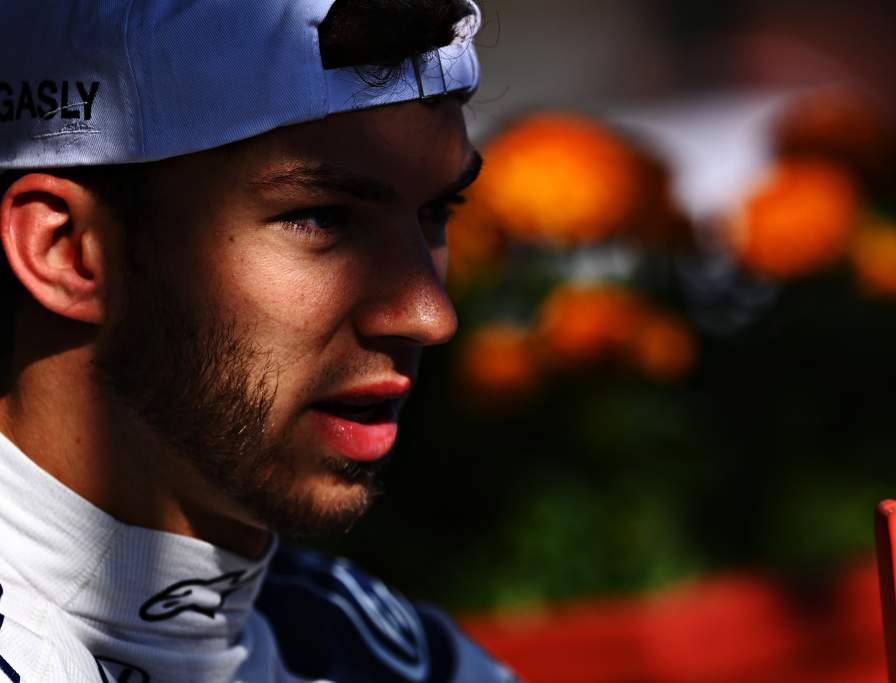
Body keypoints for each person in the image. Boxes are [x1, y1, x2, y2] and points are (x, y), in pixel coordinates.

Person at [0, 1, 518, 681]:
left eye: (435, 212)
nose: (428, 314)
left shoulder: (358, 639)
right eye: (321, 218)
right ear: (69, 251)